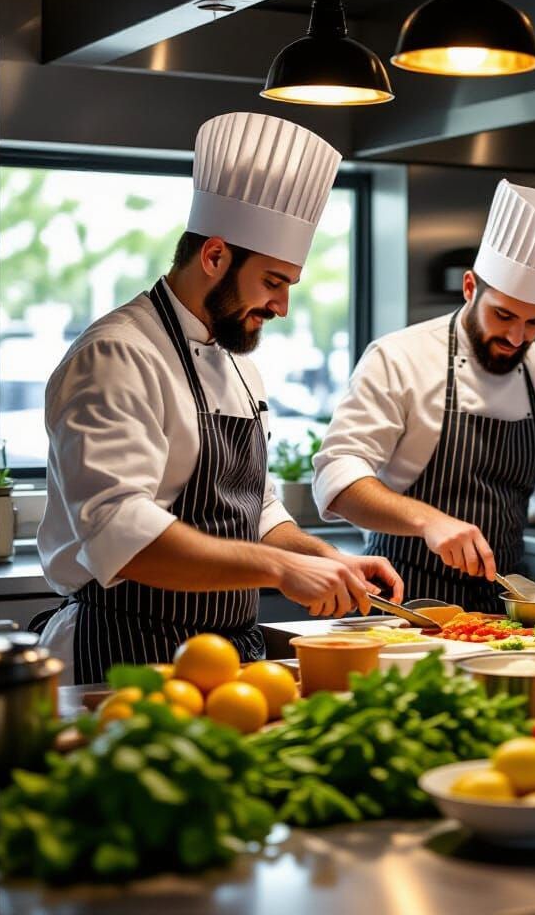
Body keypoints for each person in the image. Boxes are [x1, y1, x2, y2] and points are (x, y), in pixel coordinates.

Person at [37, 112, 403, 683]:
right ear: (214, 257)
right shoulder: (116, 355)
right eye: (273, 282)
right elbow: (122, 536)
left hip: (231, 653)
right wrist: (280, 569)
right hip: (125, 650)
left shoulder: (235, 358)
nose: (282, 307)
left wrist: (323, 557)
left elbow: (255, 509)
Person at [313, 179, 535, 610]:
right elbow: (336, 479)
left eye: (534, 322)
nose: (516, 337)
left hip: (506, 607)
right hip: (406, 602)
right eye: (503, 315)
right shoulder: (398, 358)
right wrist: (428, 520)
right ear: (469, 288)